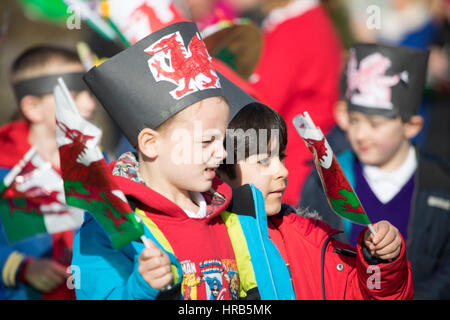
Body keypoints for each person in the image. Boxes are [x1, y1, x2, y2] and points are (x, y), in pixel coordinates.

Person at [72, 21, 295, 300]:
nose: (222, 153)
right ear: (151, 144)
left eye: (222, 140)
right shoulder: (111, 224)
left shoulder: (233, 215)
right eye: (206, 141)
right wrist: (141, 287)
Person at [217, 101, 414, 299]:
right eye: (264, 160)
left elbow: (367, 293)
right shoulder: (207, 238)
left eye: (281, 157)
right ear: (222, 169)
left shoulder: (313, 240)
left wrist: (378, 261)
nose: (283, 171)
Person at [301, 43, 450, 299]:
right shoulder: (325, 179)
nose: (360, 134)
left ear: (411, 126)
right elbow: (309, 253)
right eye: (354, 120)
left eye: (375, 124)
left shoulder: (441, 184)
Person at [0, 45, 97, 299]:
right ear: (32, 107)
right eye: (73, 95)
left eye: (90, 93)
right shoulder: (4, 169)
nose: (90, 105)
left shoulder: (99, 165)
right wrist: (20, 267)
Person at [233, 0, 344, 206]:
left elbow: (257, 104)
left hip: (291, 170)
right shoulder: (308, 19)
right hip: (302, 164)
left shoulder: (295, 28)